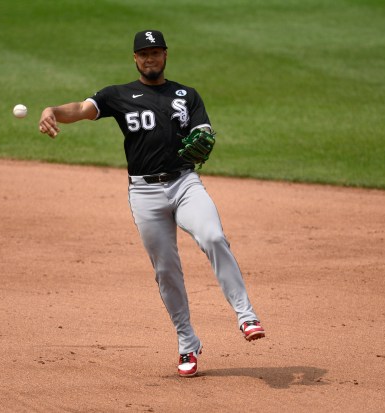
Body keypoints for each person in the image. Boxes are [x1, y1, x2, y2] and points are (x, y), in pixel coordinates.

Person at [39, 30, 265, 377]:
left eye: (156, 52)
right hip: (144, 193)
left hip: (184, 183)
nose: (150, 58)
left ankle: (246, 315)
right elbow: (82, 110)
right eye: (144, 53)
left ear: (165, 55)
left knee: (213, 237)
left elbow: (204, 133)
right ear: (135, 58)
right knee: (166, 270)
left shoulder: (186, 95)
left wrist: (203, 138)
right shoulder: (118, 95)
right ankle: (187, 343)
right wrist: (52, 110)